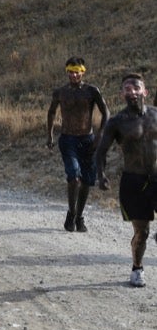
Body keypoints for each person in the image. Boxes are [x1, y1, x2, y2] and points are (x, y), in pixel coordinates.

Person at [96, 74, 157, 287]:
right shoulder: (117, 122)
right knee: (143, 232)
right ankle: (137, 268)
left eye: (135, 87)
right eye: (127, 89)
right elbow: (101, 151)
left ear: (145, 92)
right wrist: (100, 175)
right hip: (134, 182)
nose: (131, 91)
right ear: (122, 94)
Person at [47, 57, 109, 232]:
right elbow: (51, 112)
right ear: (66, 72)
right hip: (68, 139)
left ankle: (80, 216)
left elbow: (106, 112)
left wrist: (100, 136)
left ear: (83, 72)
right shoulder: (60, 92)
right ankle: (71, 213)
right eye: (70, 72)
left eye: (77, 72)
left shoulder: (91, 91)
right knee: (74, 176)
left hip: (88, 140)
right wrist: (50, 135)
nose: (74, 75)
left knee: (88, 181)